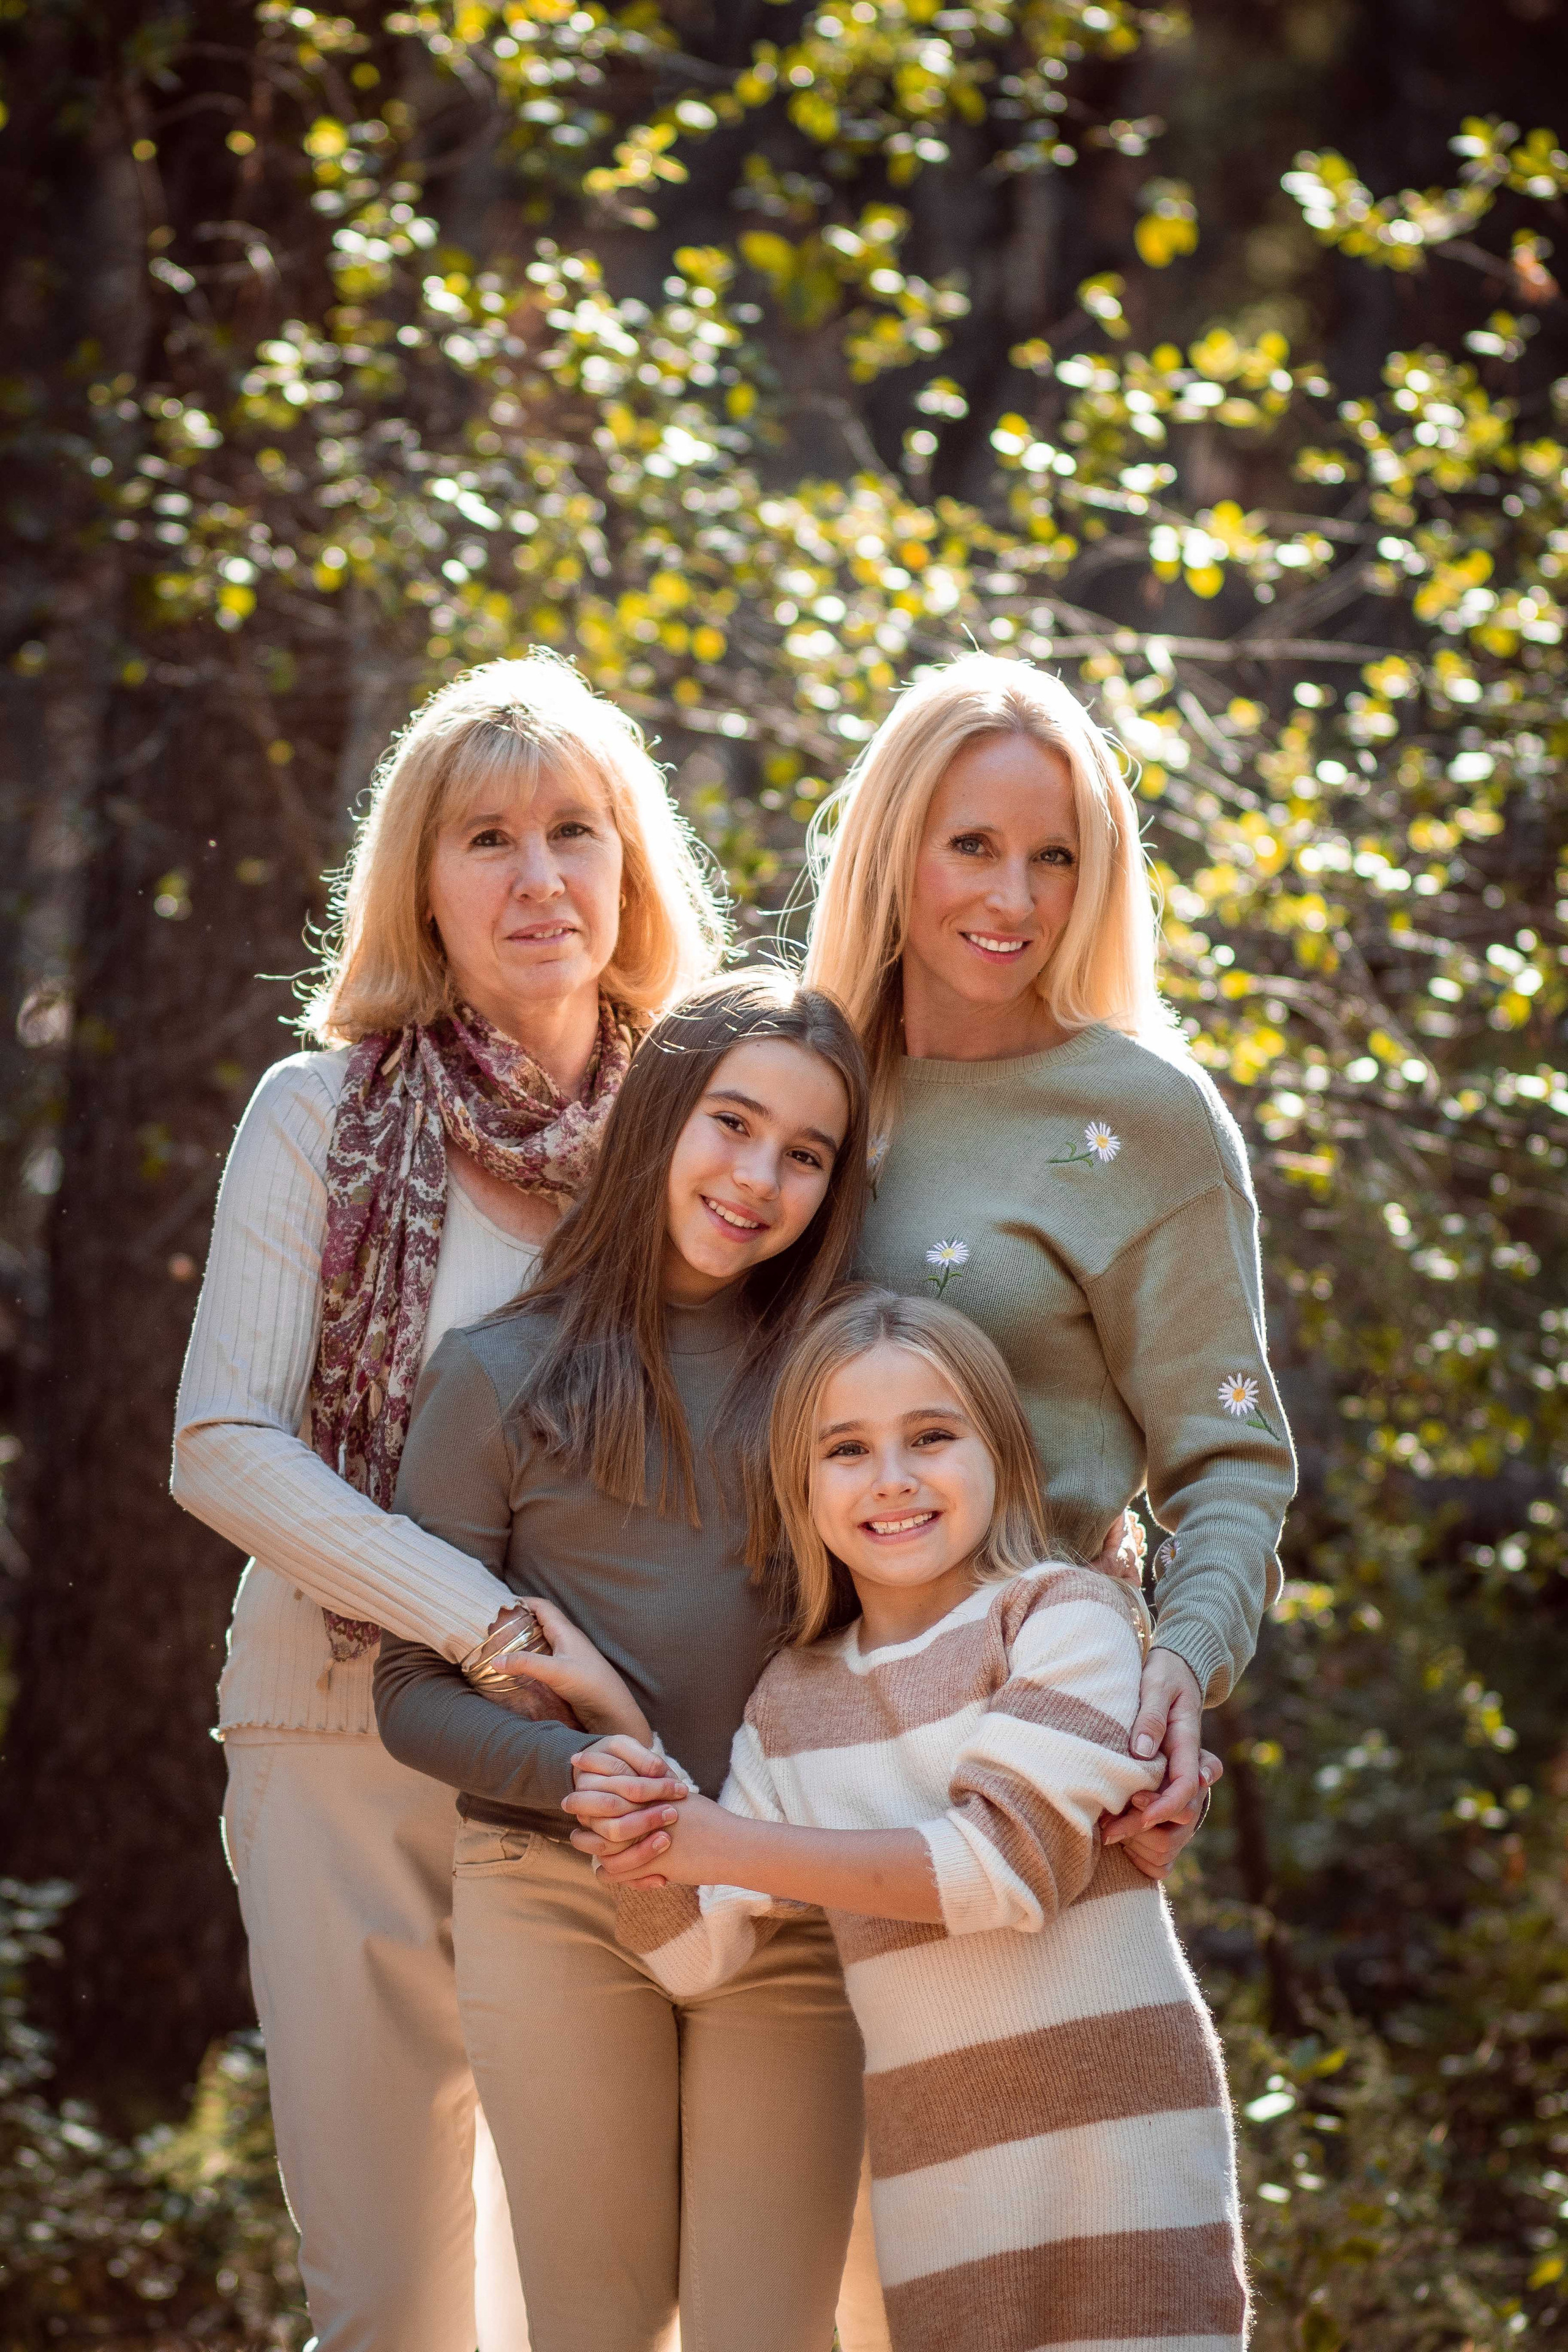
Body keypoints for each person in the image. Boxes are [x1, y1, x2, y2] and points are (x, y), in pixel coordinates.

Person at [170, 651, 725, 2352]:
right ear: (422, 879)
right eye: (486, 838)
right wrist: (482, 1627)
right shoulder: (321, 1118)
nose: (538, 877)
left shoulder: (711, 1134)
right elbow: (222, 1444)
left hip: (617, 1766)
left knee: (609, 2298)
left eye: (575, 830)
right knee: (403, 2299)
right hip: (342, 1743)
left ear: (631, 868)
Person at [564, 1289, 1248, 2352]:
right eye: (847, 1449)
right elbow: (694, 1947)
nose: (892, 1478)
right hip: (944, 2175)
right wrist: (629, 1782)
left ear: (1001, 1453)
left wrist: (714, 1839)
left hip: (1121, 2141)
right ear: (801, 1483)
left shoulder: (1063, 1615)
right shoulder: (790, 1701)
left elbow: (1005, 1871)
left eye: (932, 1436)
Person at [372, 972, 874, 2352]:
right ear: (660, 1111)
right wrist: (585, 1773)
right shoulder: (497, 1377)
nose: (757, 1176)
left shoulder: (836, 1384)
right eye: (732, 1122)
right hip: (558, 1891)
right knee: (597, 2321)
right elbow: (409, 1694)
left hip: (780, 1895)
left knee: (762, 2329)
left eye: (806, 1154)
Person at [802, 649, 1296, 1847]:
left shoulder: (1143, 1122)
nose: (1013, 900)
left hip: (1025, 1738)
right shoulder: (794, 1088)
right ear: (892, 846)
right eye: (971, 846)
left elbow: (1229, 1450)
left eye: (1054, 856)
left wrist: (1180, 1660)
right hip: (777, 1736)